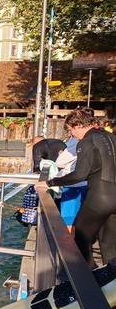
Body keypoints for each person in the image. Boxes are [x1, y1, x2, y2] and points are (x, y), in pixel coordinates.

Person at [36, 107, 116, 267]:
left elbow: (79, 175)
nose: (72, 134)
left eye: (71, 130)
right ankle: (111, 283)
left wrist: (50, 182)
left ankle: (90, 282)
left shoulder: (87, 141)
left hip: (99, 198)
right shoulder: (112, 137)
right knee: (109, 245)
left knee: (80, 240)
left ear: (78, 125)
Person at [55, 136, 87, 229]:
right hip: (87, 183)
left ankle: (69, 242)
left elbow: (59, 163)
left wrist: (61, 155)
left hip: (72, 184)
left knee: (69, 219)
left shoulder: (75, 140)